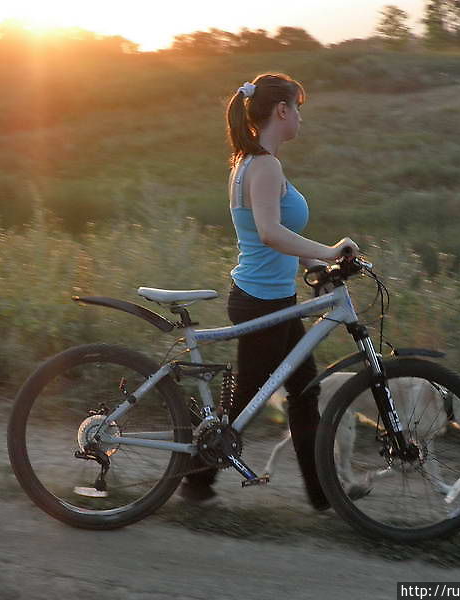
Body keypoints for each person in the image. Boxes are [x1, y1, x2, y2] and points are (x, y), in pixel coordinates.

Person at [178, 73, 359, 510]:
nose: (300, 117)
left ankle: (321, 495)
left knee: (303, 390)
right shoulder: (263, 165)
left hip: (268, 296)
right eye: (298, 108)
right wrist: (331, 250)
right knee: (249, 403)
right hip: (261, 300)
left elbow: (281, 235)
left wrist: (316, 264)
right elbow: (269, 233)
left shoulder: (252, 161)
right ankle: (195, 482)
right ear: (282, 111)